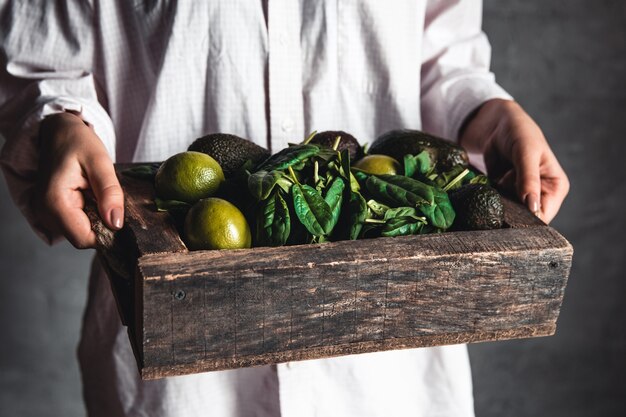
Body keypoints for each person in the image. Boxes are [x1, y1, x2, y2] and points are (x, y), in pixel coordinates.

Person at [0, 1, 569, 416]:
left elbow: (441, 52)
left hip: (393, 364)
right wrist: (60, 123)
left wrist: (488, 109)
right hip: (176, 361)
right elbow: (43, 57)